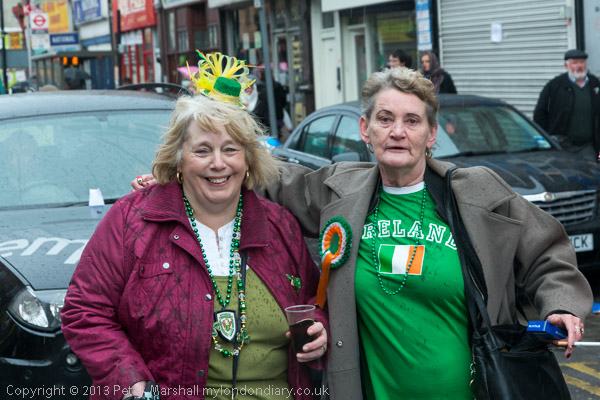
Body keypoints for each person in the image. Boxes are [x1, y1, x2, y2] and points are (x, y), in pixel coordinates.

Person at [132, 67, 593, 399]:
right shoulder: (340, 190)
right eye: (385, 119)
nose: (398, 132)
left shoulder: (476, 192)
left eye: (412, 121)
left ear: (432, 134)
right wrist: (180, 176)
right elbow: (265, 175)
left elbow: (546, 251)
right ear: (365, 129)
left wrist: (561, 306)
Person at [62, 52, 328, 400]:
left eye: (230, 149)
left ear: (248, 159)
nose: (218, 163)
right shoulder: (131, 221)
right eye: (202, 151)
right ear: (178, 159)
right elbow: (85, 311)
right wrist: (132, 383)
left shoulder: (279, 225)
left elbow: (313, 300)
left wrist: (319, 329)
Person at [533, 49, 600, 160]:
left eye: (582, 62)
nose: (579, 66)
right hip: (562, 148)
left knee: (591, 170)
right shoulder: (554, 86)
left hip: (588, 147)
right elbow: (540, 114)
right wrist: (548, 139)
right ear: (566, 66)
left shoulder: (595, 83)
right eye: (575, 63)